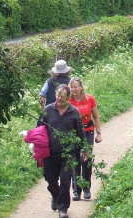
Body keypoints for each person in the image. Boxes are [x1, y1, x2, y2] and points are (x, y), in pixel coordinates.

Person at [38, 84, 85, 218]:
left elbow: (80, 132)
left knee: (65, 181)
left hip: (68, 153)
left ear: (69, 97)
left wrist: (84, 149)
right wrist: (37, 147)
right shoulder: (47, 110)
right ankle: (55, 195)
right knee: (51, 179)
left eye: (62, 97)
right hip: (50, 153)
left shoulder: (74, 112)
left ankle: (63, 208)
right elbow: (39, 130)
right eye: (58, 95)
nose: (59, 98)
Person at [68, 77, 102, 201]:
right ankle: (76, 191)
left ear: (81, 87)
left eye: (75, 86)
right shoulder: (68, 100)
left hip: (88, 132)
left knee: (86, 160)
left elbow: (96, 117)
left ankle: (86, 188)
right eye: (71, 87)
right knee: (75, 160)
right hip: (73, 134)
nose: (73, 89)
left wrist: (98, 133)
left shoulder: (89, 99)